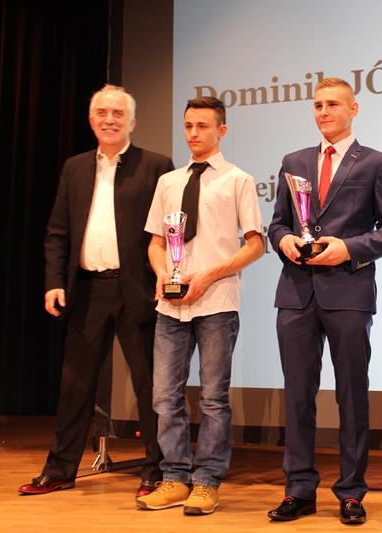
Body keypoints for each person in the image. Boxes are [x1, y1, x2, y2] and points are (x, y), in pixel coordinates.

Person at [19, 85, 173, 498]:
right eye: (102, 113)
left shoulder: (156, 166)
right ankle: (59, 470)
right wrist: (54, 282)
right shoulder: (74, 168)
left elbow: (170, 230)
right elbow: (57, 232)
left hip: (138, 290)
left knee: (150, 385)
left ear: (132, 122)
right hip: (86, 290)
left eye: (118, 114)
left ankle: (158, 470)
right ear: (91, 120)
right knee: (75, 385)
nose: (110, 119)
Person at [266, 77, 382, 525]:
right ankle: (298, 489)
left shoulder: (377, 163)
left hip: (349, 290)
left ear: (353, 109)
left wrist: (348, 248)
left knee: (351, 395)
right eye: (318, 105)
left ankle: (351, 492)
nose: (324, 112)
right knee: (297, 396)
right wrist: (284, 240)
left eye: (332, 104)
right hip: (296, 293)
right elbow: (277, 223)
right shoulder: (294, 162)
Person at [135, 96, 264, 515]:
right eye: (188, 125)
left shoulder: (238, 180)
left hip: (216, 303)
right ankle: (174, 477)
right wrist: (161, 273)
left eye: (202, 126)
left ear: (221, 130)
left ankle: (207, 481)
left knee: (213, 399)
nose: (193, 133)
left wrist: (209, 275)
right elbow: (156, 242)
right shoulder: (168, 182)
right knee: (164, 397)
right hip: (170, 307)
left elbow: (256, 245)